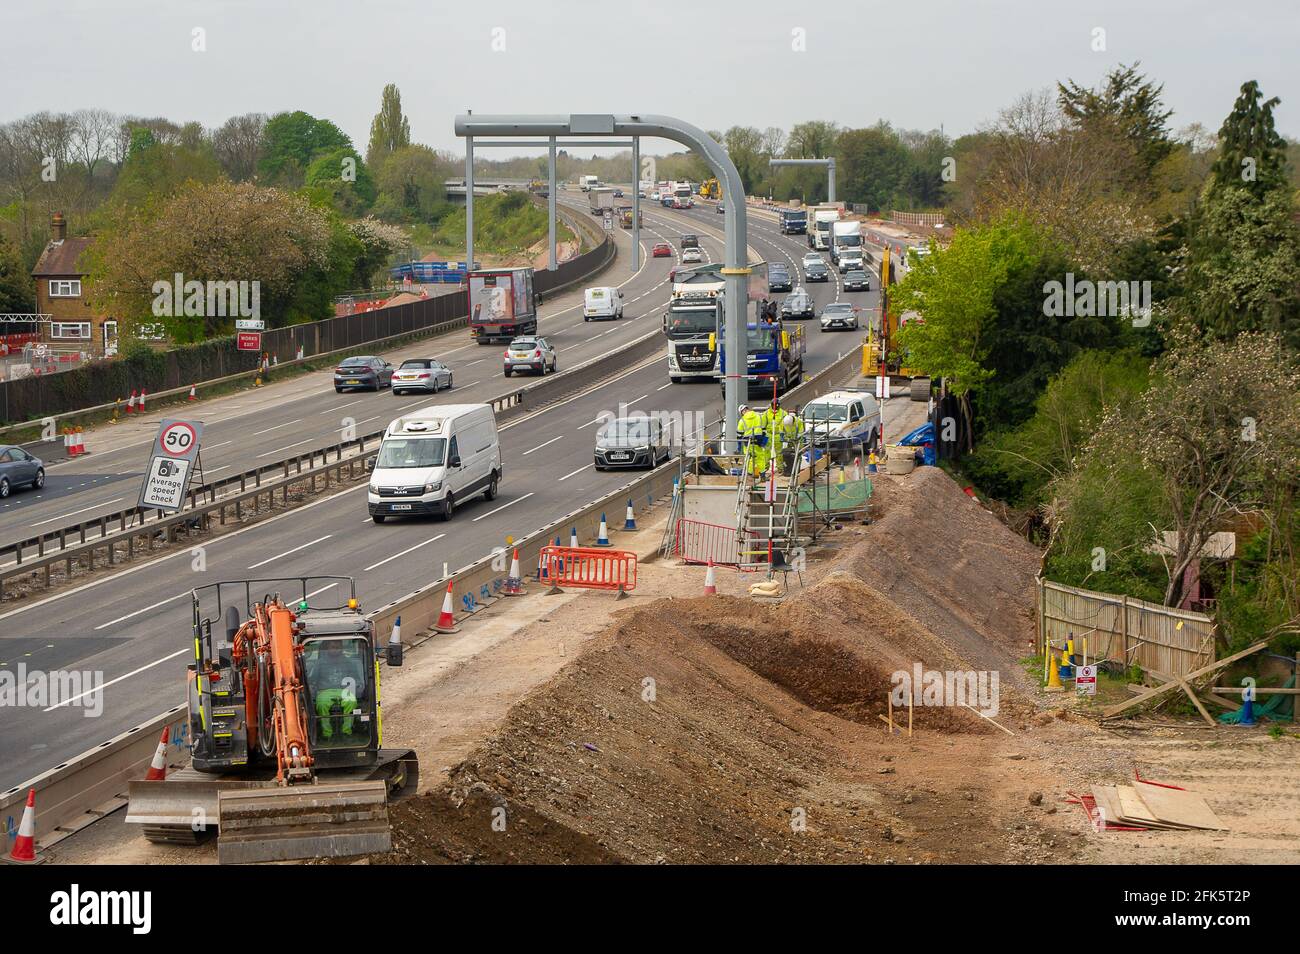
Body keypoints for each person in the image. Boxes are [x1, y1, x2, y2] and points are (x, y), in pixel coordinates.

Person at [311, 640, 364, 741]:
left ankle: (346, 731)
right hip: (325, 691)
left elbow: (355, 679)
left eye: (337, 647)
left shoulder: (349, 662)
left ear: (342, 648)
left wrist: (357, 686)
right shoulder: (319, 663)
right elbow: (313, 680)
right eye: (333, 647)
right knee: (322, 703)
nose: (335, 650)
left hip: (344, 690)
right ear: (328, 648)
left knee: (351, 701)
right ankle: (327, 734)